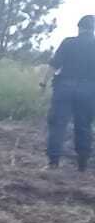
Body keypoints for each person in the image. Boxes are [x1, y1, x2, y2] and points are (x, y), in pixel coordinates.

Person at [42, 15, 95, 171]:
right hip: (88, 90)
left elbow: (53, 65)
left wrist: (43, 83)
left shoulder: (68, 42)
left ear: (79, 28)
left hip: (65, 87)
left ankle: (53, 162)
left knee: (58, 124)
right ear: (92, 30)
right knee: (84, 125)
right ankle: (82, 164)